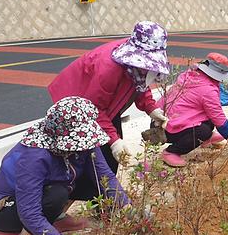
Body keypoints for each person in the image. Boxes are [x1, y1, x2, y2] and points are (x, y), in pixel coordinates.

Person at [0, 96, 130, 235]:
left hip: (39, 194)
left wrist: (128, 208)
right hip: (3, 208)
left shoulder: (83, 139)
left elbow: (104, 176)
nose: (85, 145)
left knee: (92, 182)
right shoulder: (35, 157)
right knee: (56, 195)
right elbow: (29, 212)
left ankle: (55, 218)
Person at [48, 21, 170, 173]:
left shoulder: (134, 62)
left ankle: (105, 185)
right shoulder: (109, 68)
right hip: (77, 104)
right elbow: (94, 109)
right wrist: (114, 142)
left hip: (104, 106)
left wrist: (151, 108)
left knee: (112, 157)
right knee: (87, 156)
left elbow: (140, 84)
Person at [158, 53, 228, 167]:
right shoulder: (207, 90)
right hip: (169, 129)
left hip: (162, 120)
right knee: (202, 132)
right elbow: (219, 120)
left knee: (209, 117)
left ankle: (207, 138)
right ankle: (171, 152)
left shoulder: (189, 76)